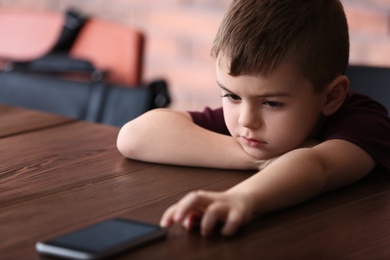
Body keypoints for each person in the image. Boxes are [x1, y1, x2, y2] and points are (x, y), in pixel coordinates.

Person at [117, 0, 390, 237]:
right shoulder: (255, 126)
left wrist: (240, 198)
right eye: (231, 96)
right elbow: (135, 136)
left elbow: (316, 165)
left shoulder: (366, 123)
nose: (246, 120)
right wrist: (258, 160)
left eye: (271, 103)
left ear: (331, 97)